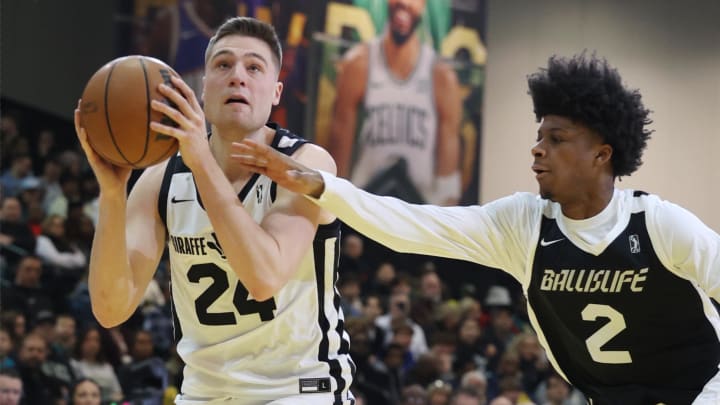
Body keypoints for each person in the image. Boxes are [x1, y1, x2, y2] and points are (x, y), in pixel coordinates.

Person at [232, 52, 720, 404]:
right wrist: (324, 187)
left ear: (602, 153)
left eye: (557, 138)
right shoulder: (523, 226)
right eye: (537, 137)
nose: (537, 149)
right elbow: (415, 226)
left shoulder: (658, 225)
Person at [74, 16, 354, 404]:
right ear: (203, 88)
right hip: (206, 393)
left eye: (253, 67)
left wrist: (200, 158)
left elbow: (264, 277)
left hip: (298, 389)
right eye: (223, 65)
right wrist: (112, 192)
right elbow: (110, 309)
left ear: (276, 92)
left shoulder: (305, 163)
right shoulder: (161, 178)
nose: (237, 76)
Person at [328, 0, 462, 205]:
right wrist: (341, 221)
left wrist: (438, 230)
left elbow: (447, 183)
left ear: (424, 5)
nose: (405, 3)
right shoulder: (359, 64)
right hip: (366, 207)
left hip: (418, 212)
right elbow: (338, 158)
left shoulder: (441, 76)